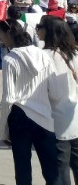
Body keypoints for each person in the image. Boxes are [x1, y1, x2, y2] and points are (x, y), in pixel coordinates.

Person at [0, 18, 61, 184]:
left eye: (0, 34)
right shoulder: (44, 55)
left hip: (19, 117)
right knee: (51, 170)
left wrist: (3, 129)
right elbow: (54, 89)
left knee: (22, 168)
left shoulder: (10, 60)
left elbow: (8, 98)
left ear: (9, 33)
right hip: (44, 116)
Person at [37, 15, 78, 184]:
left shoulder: (43, 56)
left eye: (40, 26)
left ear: (48, 31)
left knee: (60, 172)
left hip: (55, 123)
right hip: (74, 118)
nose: (37, 29)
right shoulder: (74, 54)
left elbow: (45, 92)